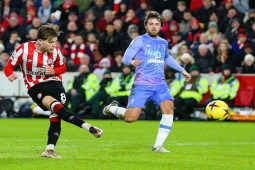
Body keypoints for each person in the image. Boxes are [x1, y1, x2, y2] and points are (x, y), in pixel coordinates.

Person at [3, 24, 103, 158]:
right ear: (40, 41)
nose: (54, 45)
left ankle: (50, 150)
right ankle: (89, 127)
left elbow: (63, 67)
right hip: (35, 85)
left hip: (55, 83)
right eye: (51, 42)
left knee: (57, 115)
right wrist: (10, 74)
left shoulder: (55, 51)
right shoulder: (24, 49)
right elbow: (8, 66)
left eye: (55, 42)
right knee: (56, 107)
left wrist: (53, 71)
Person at [102, 11, 191, 152]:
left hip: (160, 84)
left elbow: (167, 58)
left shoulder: (163, 43)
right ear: (146, 25)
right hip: (142, 85)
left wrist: (182, 70)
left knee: (168, 109)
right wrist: (132, 61)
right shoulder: (139, 40)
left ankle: (158, 145)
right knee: (131, 118)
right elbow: (125, 58)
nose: (154, 27)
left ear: (161, 26)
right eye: (151, 24)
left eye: (157, 24)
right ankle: (112, 108)